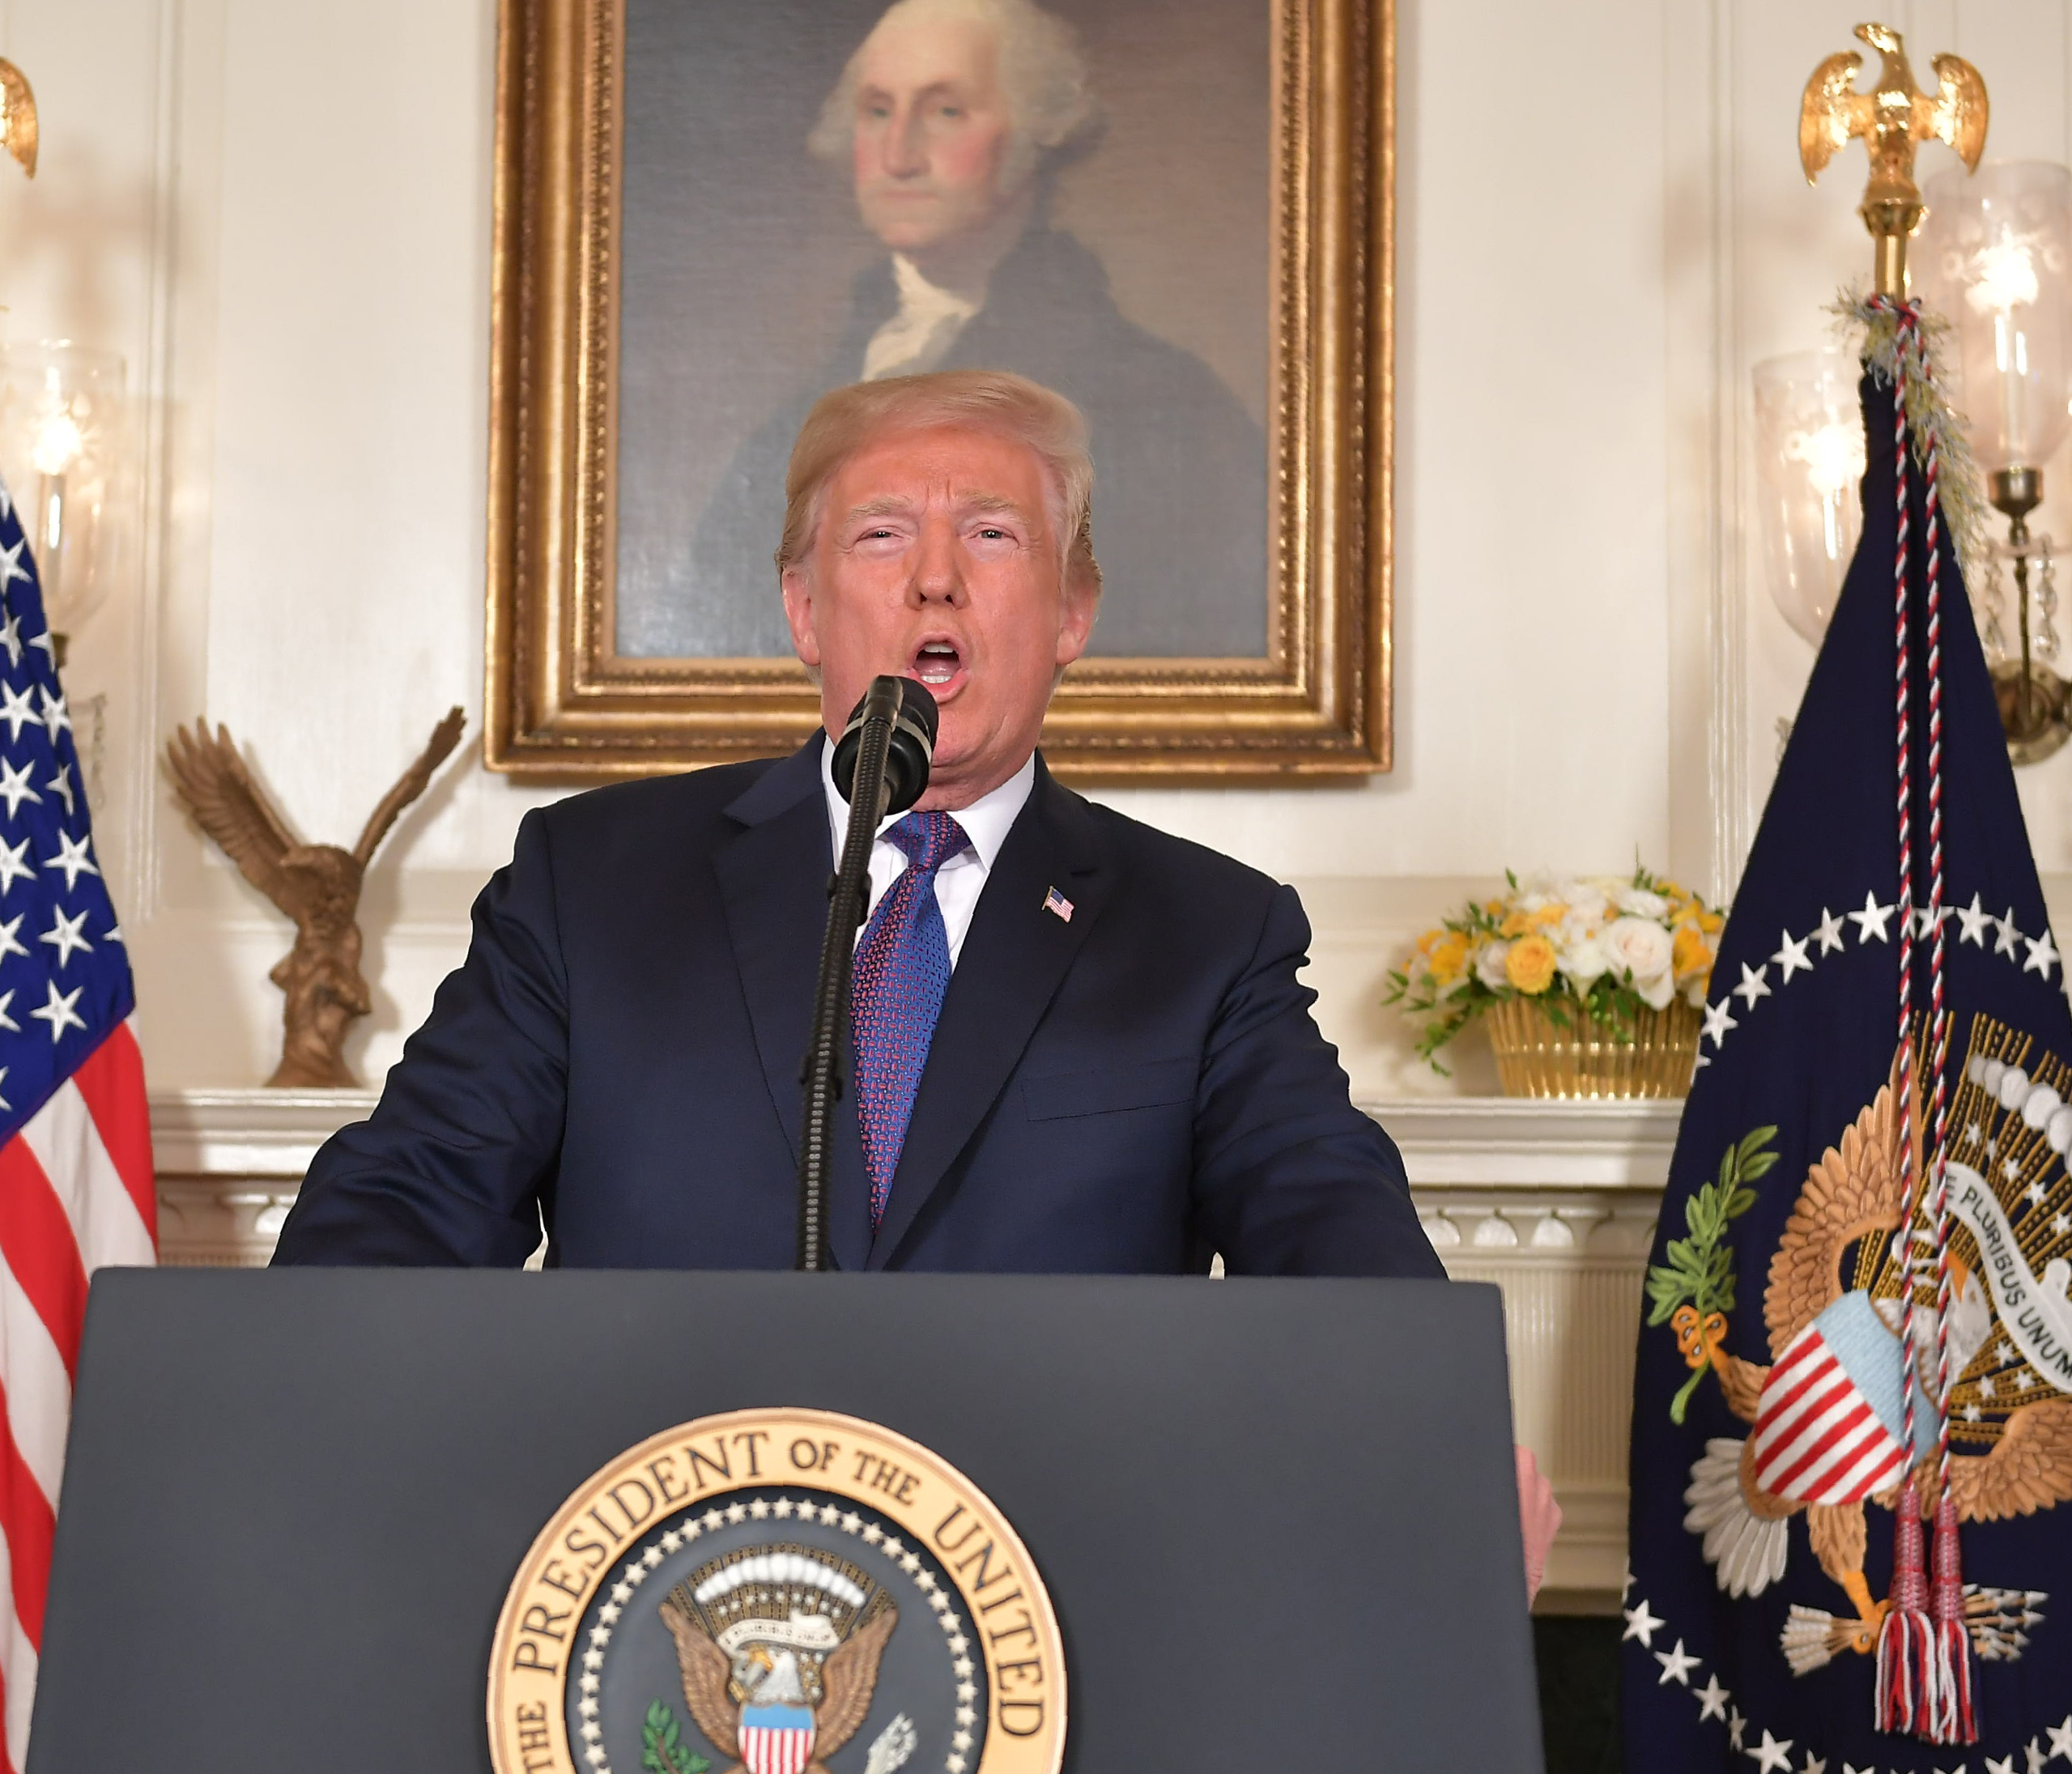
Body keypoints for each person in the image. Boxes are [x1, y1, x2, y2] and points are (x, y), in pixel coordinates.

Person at [274, 371, 1427, 1282]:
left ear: (1074, 610)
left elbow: (1327, 1215)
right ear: (804, 610)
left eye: (991, 535)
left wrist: (1442, 1429)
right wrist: (289, 1401)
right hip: (670, 1540)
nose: (935, 579)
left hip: (1050, 1557)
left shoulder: (1209, 931)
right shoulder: (592, 882)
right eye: (880, 536)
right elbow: (410, 1198)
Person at [649, 0, 1266, 661]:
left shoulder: (1167, 400)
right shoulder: (813, 397)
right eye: (878, 111)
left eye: (945, 112)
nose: (899, 155)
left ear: (1034, 133)